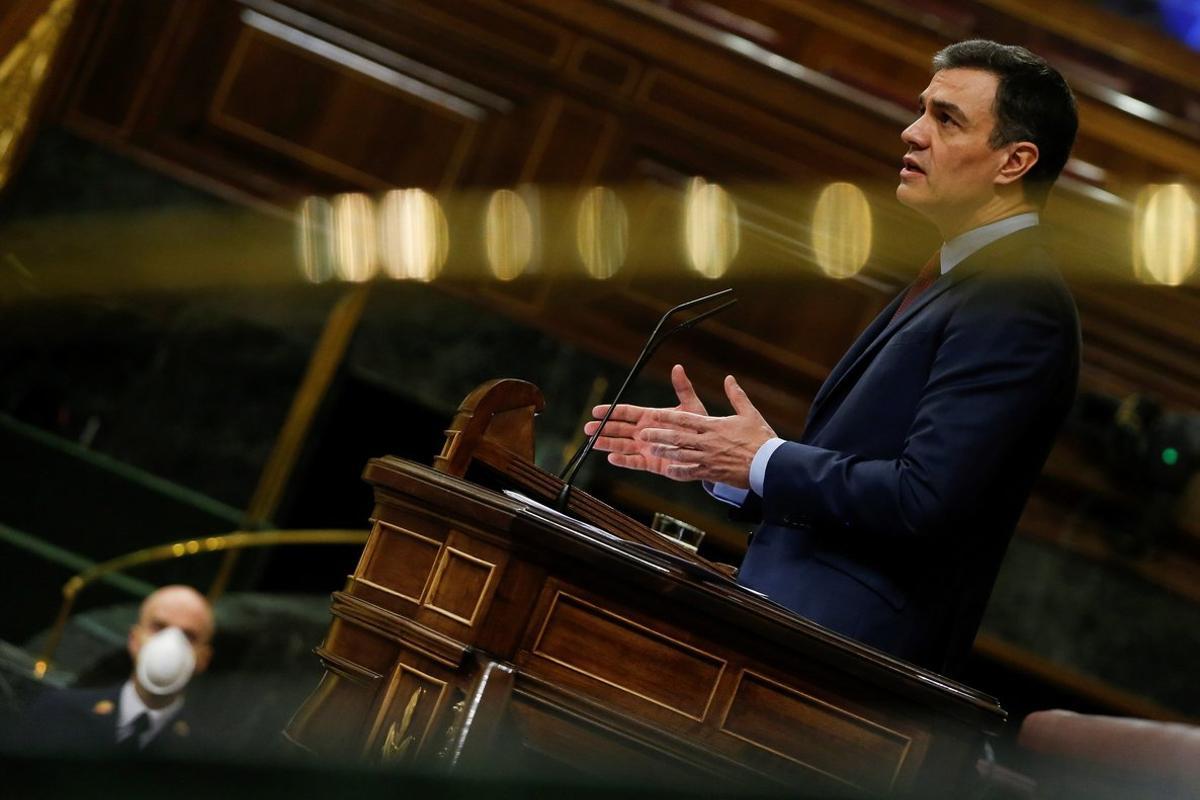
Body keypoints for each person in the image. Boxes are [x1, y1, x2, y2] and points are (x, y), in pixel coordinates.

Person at [586, 40, 1081, 676]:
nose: (912, 132)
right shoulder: (966, 276)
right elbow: (868, 481)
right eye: (921, 111)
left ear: (1015, 161)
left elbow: (922, 500)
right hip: (796, 636)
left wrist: (764, 459)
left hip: (844, 664)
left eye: (946, 119)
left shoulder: (1019, 301)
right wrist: (735, 467)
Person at [24, 584, 215, 756]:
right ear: (134, 640)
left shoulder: (203, 757)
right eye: (158, 627)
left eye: (189, 636)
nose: (171, 644)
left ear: (203, 659)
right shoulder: (59, 712)